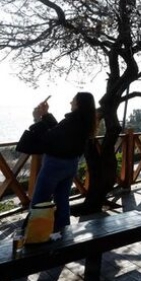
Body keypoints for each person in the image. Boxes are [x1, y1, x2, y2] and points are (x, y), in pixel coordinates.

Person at [29, 92, 97, 236]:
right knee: (62, 199)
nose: (70, 102)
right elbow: (58, 131)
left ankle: (35, 235)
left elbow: (49, 137)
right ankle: (63, 234)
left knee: (39, 200)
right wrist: (46, 114)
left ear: (78, 103)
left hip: (54, 164)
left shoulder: (72, 120)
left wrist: (37, 118)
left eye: (73, 100)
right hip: (70, 165)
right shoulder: (84, 121)